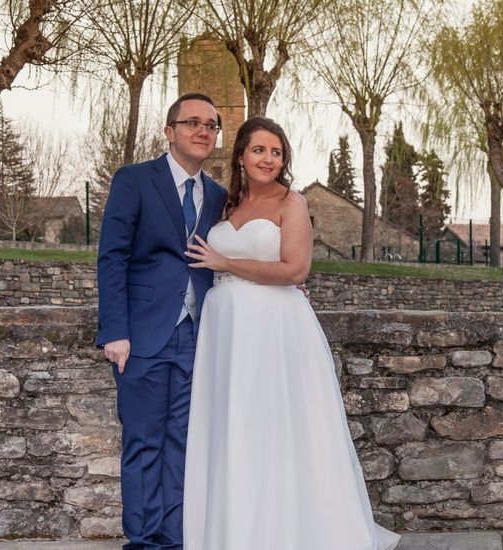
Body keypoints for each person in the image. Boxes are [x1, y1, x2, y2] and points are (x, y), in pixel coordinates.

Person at [182, 117, 401, 550]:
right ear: (241, 155)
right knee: (234, 427)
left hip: (276, 327)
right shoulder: (224, 204)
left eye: (276, 152)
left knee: (279, 426)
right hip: (226, 329)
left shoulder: (292, 202)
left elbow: (295, 269)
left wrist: (226, 263)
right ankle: (236, 532)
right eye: (259, 149)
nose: (268, 159)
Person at [97, 93, 227, 550]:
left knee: (184, 447)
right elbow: (112, 257)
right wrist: (115, 331)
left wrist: (289, 280)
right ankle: (142, 542)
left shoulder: (217, 196)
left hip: (200, 337)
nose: (202, 130)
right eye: (191, 122)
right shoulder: (134, 180)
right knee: (144, 444)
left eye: (211, 125)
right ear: (169, 131)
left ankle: (174, 540)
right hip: (144, 335)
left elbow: (235, 256)